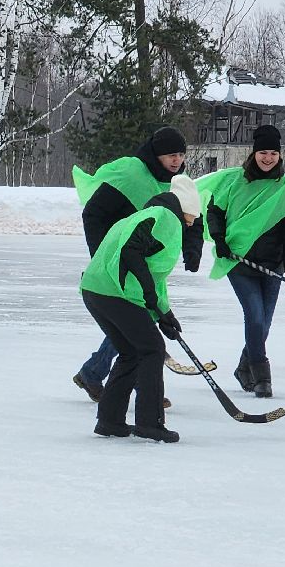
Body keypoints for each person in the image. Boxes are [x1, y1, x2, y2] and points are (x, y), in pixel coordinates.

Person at [70, 125, 199, 400]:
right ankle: (140, 385)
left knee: (135, 322)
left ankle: (94, 373)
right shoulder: (131, 173)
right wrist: (103, 257)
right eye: (170, 155)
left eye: (180, 155)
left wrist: (192, 249)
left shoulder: (176, 182)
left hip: (140, 259)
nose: (176, 161)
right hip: (115, 259)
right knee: (136, 324)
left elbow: (190, 215)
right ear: (156, 154)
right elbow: (92, 213)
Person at [78, 183, 201, 442]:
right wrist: (148, 295)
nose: (193, 223)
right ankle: (150, 423)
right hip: (115, 292)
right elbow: (131, 251)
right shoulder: (166, 217)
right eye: (193, 216)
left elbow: (152, 274)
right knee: (152, 350)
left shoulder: (148, 214)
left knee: (131, 352)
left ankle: (110, 421)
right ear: (186, 206)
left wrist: (164, 314)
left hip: (95, 289)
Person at [200, 124, 285, 398]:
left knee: (264, 324)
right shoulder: (235, 181)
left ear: (280, 155)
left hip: (273, 265)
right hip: (240, 263)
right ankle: (262, 376)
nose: (268, 158)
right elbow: (215, 212)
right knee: (255, 318)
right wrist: (219, 239)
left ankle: (243, 368)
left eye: (273, 153)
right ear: (254, 153)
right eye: (263, 152)